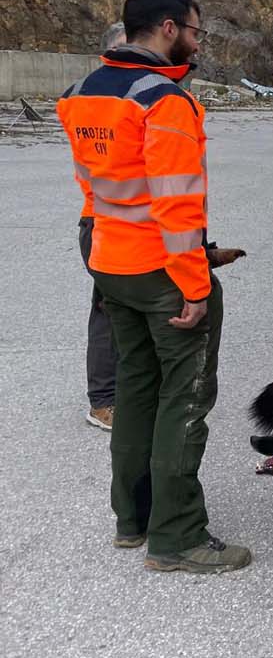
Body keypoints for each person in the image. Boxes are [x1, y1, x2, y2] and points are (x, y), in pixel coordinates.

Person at [56, 0, 251, 573]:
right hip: (163, 271)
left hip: (111, 264)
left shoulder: (81, 93)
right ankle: (178, 537)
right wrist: (195, 285)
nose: (196, 42)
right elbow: (176, 205)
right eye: (195, 31)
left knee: (136, 389)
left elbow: (93, 192)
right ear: (168, 28)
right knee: (185, 398)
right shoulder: (165, 102)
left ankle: (132, 519)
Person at [76, 21, 127, 431]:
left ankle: (124, 393)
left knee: (128, 310)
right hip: (105, 221)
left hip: (122, 221)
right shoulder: (97, 99)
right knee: (108, 313)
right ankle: (103, 402)